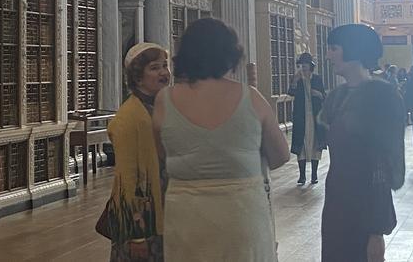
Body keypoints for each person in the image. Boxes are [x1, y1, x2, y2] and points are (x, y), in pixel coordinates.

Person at [154, 18, 289, 261]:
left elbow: (162, 154)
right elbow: (280, 155)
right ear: (230, 54)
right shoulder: (251, 98)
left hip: (187, 216)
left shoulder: (165, 100)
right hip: (241, 214)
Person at [319, 24, 406, 262]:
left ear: (352, 50)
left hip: (364, 208)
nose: (328, 55)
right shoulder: (336, 97)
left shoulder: (381, 96)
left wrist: (376, 231)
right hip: (337, 201)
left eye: (333, 48)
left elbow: (384, 165)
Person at [103, 43, 171, 261]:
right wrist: (136, 235)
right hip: (143, 221)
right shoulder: (129, 118)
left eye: (165, 65)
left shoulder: (163, 107)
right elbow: (126, 179)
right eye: (154, 67)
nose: (163, 72)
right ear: (138, 78)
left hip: (163, 210)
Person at [288, 52, 326, 185]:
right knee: (301, 145)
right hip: (301, 116)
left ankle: (314, 175)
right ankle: (302, 175)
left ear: (310, 66)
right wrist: (294, 81)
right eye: (301, 65)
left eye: (305, 65)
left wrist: (318, 94)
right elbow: (290, 93)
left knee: (315, 143)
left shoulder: (317, 79)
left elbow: (324, 96)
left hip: (315, 116)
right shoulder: (297, 79)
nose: (303, 67)